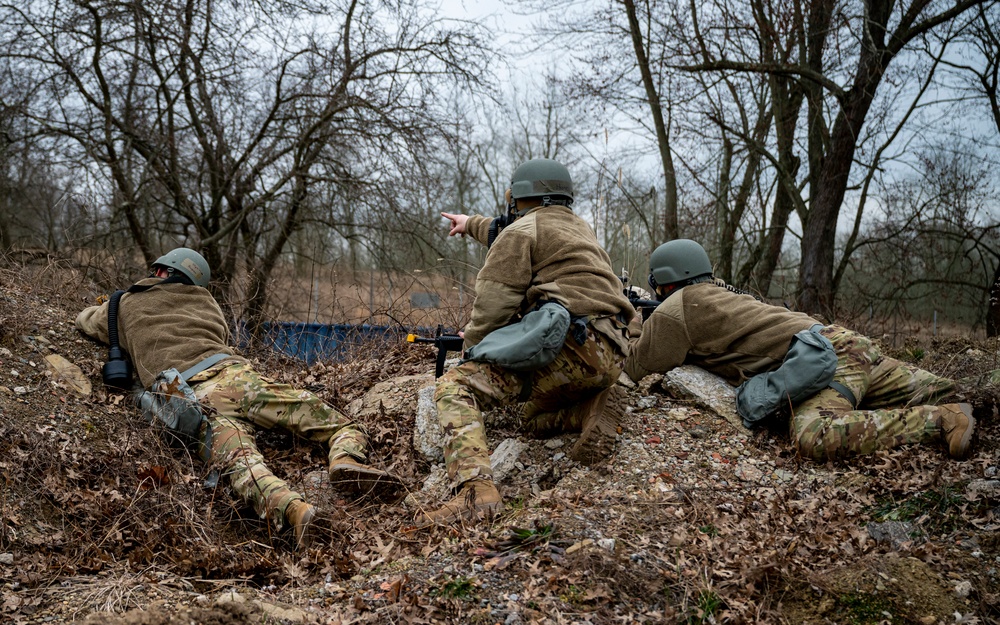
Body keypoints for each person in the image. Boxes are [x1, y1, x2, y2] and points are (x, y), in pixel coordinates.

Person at [76, 247, 404, 549]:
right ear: (195, 282)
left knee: (242, 466)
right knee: (336, 422)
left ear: (161, 270)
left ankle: (295, 511)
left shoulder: (126, 304)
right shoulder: (207, 302)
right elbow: (219, 337)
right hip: (238, 377)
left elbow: (85, 321)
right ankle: (345, 458)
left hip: (191, 396)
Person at [420, 158, 635, 526]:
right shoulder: (579, 228)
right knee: (529, 415)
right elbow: (508, 230)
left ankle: (475, 493)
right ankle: (588, 410)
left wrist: (472, 350)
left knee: (454, 388)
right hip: (612, 351)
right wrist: (470, 223)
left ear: (519, 197)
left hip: (569, 345)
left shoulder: (521, 232)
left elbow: (492, 307)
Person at [624, 239, 975, 462]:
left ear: (665, 282)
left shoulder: (676, 309)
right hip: (844, 343)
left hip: (827, 363)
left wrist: (634, 320)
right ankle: (965, 402)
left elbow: (633, 365)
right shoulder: (719, 295)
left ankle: (940, 419)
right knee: (955, 387)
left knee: (814, 435)